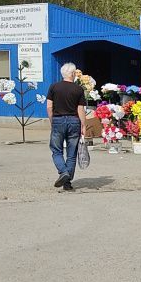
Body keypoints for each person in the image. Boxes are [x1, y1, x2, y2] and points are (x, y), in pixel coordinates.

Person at [46, 62, 88, 191]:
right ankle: (67, 182)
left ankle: (63, 172)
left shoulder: (54, 87)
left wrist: (52, 121)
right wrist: (84, 125)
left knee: (56, 150)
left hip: (58, 120)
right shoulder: (78, 89)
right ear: (73, 74)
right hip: (74, 121)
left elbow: (49, 107)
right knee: (72, 154)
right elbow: (80, 109)